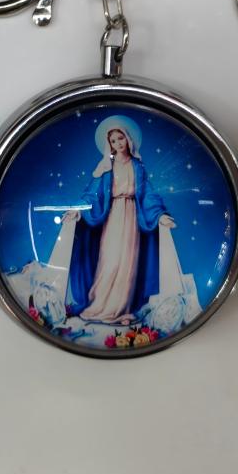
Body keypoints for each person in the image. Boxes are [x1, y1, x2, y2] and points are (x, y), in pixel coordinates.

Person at [63, 124, 175, 324]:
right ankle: (99, 305)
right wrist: (78, 209)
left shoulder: (138, 166)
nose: (118, 143)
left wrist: (159, 215)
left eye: (120, 138)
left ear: (128, 139)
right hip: (113, 217)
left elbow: (148, 194)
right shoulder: (106, 166)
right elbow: (92, 194)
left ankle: (123, 310)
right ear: (109, 144)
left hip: (132, 218)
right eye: (113, 141)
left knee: (129, 264)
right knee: (111, 261)